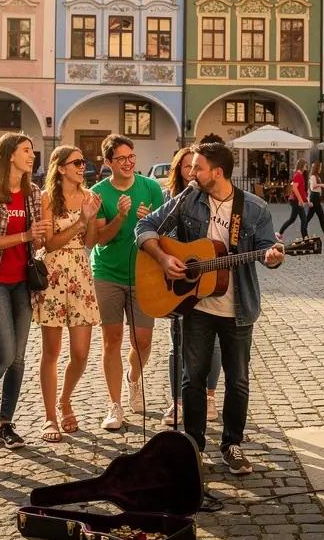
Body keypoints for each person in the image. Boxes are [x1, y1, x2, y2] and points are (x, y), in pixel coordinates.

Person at [137, 141, 284, 475]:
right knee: (193, 379)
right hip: (195, 304)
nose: (192, 172)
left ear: (217, 172)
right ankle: (193, 446)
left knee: (238, 380)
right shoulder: (188, 199)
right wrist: (163, 257)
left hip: (239, 308)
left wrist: (272, 257)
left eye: (198, 167)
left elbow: (266, 250)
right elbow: (144, 228)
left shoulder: (255, 209)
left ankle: (232, 444)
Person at [0, 133, 51, 447]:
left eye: (32, 151)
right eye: (26, 151)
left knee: (18, 358)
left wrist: (40, 237)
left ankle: (6, 424)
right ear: (9, 155)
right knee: (3, 353)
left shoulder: (33, 192)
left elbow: (37, 241)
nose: (32, 156)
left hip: (23, 282)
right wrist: (26, 235)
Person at [90, 134, 164, 431]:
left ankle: (134, 378)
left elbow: (164, 232)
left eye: (131, 157)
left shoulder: (151, 187)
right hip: (108, 273)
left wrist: (151, 221)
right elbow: (99, 239)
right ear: (108, 163)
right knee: (112, 341)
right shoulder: (98, 193)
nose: (128, 163)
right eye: (121, 159)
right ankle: (115, 404)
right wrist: (121, 216)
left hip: (144, 274)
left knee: (142, 341)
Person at [33, 145, 101, 441]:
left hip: (81, 273)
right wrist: (81, 222)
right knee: (52, 352)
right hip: (54, 274)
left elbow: (92, 242)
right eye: (76, 162)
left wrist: (93, 217)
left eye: (83, 161)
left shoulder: (89, 197)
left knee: (81, 353)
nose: (82, 166)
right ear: (60, 168)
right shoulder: (47, 199)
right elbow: (49, 244)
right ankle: (51, 417)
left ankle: (65, 398)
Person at [162, 147, 222, 428]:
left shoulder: (210, 200)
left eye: (196, 167)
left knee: (214, 346)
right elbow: (158, 232)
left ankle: (209, 395)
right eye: (187, 167)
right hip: (176, 282)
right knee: (178, 345)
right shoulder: (170, 199)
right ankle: (177, 402)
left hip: (207, 282)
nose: (191, 172)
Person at [277, 160, 309, 242]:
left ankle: (280, 233)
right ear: (302, 165)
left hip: (296, 200)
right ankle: (305, 238)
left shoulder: (300, 175)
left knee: (292, 219)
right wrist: (300, 200)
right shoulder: (298, 175)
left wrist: (307, 201)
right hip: (295, 200)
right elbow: (295, 188)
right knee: (304, 219)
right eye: (305, 165)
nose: (306, 167)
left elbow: (301, 190)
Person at [305, 161, 324, 240]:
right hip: (314, 197)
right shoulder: (313, 176)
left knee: (311, 216)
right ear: (317, 167)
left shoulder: (317, 176)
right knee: (319, 216)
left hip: (316, 197)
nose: (321, 168)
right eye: (320, 167)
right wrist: (322, 185)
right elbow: (313, 187)